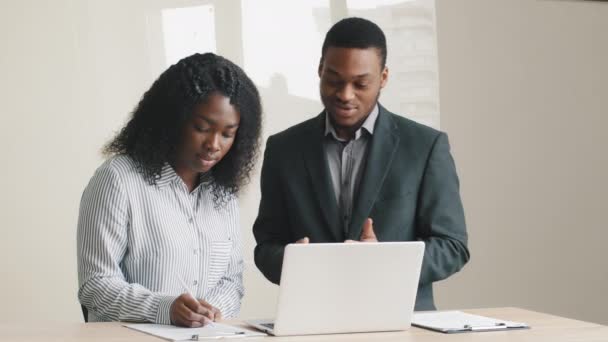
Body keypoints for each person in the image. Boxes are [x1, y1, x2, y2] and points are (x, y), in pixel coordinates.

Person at [253, 17, 469, 310]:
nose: (345, 94)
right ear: (319, 70)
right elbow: (267, 245)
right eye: (334, 80)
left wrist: (384, 262)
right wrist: (294, 262)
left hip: (402, 324)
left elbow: (453, 246)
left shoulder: (426, 147)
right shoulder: (283, 149)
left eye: (360, 83)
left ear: (384, 78)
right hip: (312, 321)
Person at [77, 53, 262, 326]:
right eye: (201, 127)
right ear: (173, 118)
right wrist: (164, 309)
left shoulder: (223, 194)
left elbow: (231, 281)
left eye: (227, 133)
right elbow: (95, 285)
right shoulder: (117, 180)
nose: (214, 144)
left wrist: (210, 312)